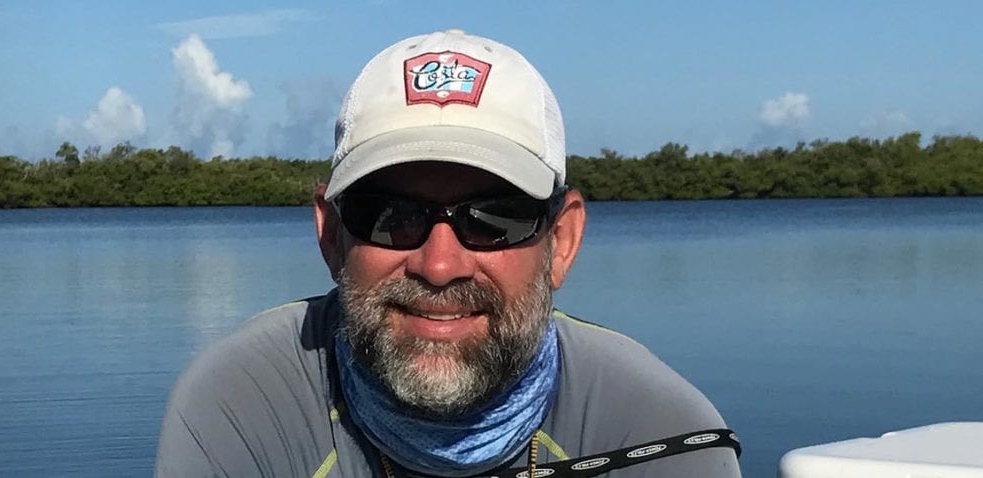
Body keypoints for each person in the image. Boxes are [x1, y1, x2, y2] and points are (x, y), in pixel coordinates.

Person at [155, 29, 741, 477]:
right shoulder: (240, 408)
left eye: (494, 219)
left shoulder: (662, 434)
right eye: (391, 216)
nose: (439, 266)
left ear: (561, 242)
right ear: (331, 235)